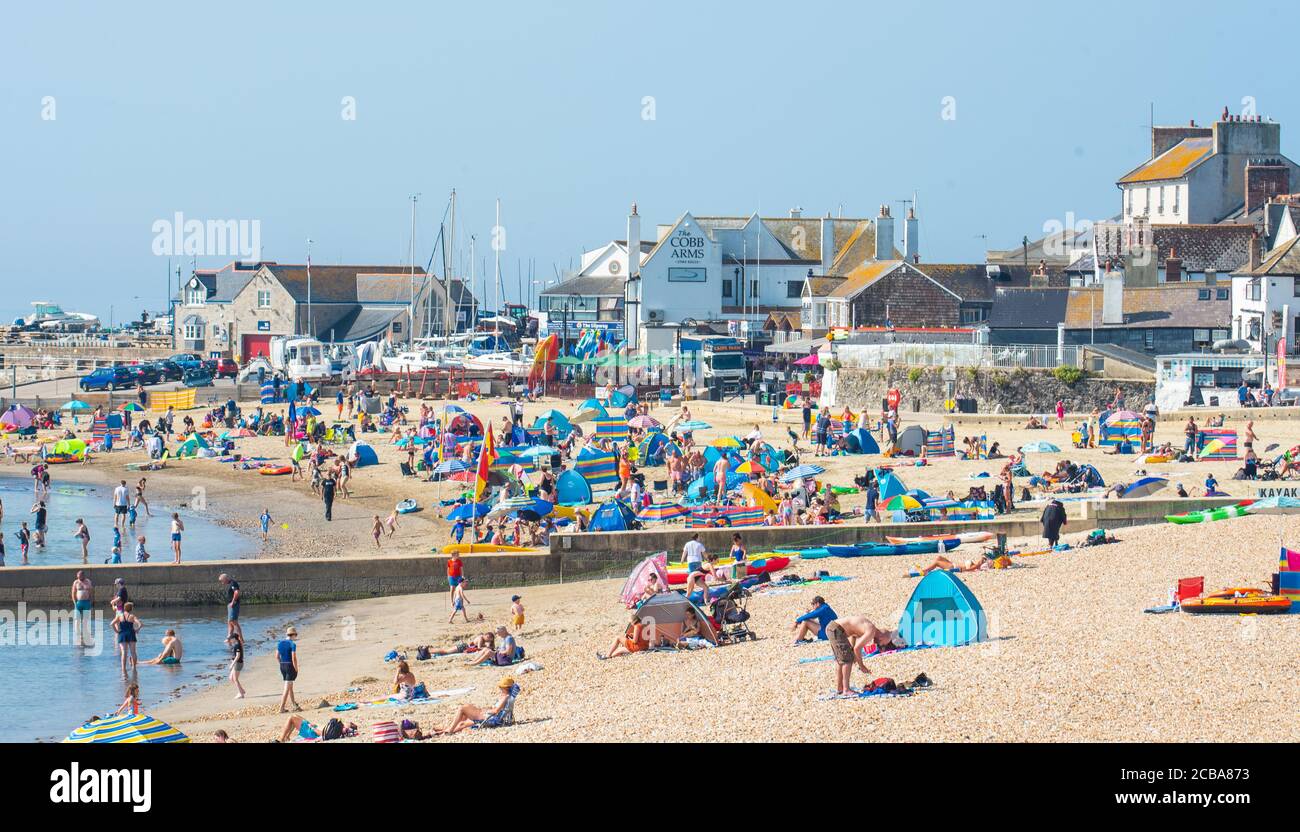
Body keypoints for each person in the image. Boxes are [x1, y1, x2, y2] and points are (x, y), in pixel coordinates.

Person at [824, 615, 904, 696]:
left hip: (833, 628)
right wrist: (861, 666)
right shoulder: (871, 631)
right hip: (836, 629)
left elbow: (853, 635)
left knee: (841, 660)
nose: (879, 644)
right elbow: (857, 649)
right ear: (882, 637)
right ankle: (846, 690)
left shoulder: (869, 628)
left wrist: (851, 650)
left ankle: (840, 688)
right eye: (883, 644)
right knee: (847, 660)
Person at [433, 677, 520, 735]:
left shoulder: (506, 697)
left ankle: (450, 731)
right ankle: (443, 731)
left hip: (489, 717)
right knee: (462, 723)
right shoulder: (506, 696)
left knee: (463, 708)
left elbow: (496, 711)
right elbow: (498, 710)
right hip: (490, 716)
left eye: (502, 687)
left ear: (507, 688)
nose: (500, 689)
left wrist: (484, 711)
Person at [112, 601, 143, 676]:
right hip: (131, 634)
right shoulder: (132, 616)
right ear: (131, 608)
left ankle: (123, 668)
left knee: (124, 652)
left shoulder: (119, 615)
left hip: (122, 634)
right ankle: (134, 668)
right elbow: (140, 624)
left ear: (124, 608)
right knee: (133, 652)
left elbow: (112, 624)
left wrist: (116, 631)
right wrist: (137, 630)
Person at [277, 626, 300, 713]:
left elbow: (277, 656)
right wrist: (296, 668)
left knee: (290, 686)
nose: (295, 637)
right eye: (296, 635)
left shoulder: (279, 643)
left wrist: (281, 664)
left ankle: (294, 704)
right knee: (287, 687)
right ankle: (281, 708)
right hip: (290, 665)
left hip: (282, 665)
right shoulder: (292, 644)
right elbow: (294, 657)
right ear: (293, 635)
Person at [71, 570, 94, 645]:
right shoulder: (76, 582)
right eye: (78, 576)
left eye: (81, 575)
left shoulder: (88, 581)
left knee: (85, 619)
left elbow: (91, 592)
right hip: (79, 603)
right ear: (77, 576)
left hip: (86, 603)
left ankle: (84, 633)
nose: (80, 577)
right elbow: (73, 593)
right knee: (77, 620)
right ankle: (78, 634)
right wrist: (75, 603)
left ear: (83, 575)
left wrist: (90, 602)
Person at [219, 573, 242, 639]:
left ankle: (241, 639)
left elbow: (237, 592)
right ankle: (229, 638)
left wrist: (233, 602)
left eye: (222, 581)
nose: (222, 583)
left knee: (233, 621)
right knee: (229, 622)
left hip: (234, 605)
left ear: (225, 579)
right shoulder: (230, 583)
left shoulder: (233, 583)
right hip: (230, 605)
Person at [227, 632, 246, 699]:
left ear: (234, 639)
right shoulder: (237, 644)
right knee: (231, 678)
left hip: (238, 663)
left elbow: (238, 656)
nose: (230, 640)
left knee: (235, 679)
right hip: (236, 663)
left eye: (231, 639)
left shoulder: (237, 645)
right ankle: (242, 690)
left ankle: (241, 693)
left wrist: (232, 664)